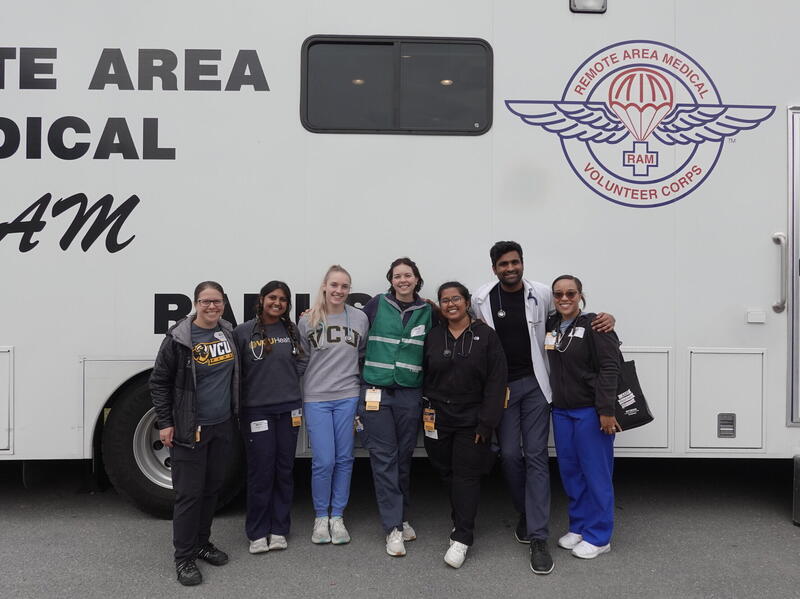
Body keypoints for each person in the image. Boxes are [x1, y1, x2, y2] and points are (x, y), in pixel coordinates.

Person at [472, 241, 614, 575]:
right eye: (504, 264)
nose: (510, 268)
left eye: (515, 262)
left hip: (536, 385)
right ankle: (528, 512)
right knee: (510, 455)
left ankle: (538, 536)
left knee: (536, 456)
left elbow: (573, 312)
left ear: (522, 263)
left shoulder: (541, 292)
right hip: (504, 389)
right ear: (494, 268)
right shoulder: (482, 298)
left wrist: (607, 317)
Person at [150, 281, 239, 586]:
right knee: (189, 494)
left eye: (217, 301)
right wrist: (165, 422)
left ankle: (202, 543)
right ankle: (184, 558)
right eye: (205, 301)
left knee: (212, 489)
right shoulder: (179, 339)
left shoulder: (227, 331)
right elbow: (159, 381)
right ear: (196, 303)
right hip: (190, 427)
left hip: (221, 425)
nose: (211, 306)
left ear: (224, 304)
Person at [422, 282, 508, 569]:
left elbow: (497, 382)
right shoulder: (434, 336)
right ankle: (459, 519)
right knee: (445, 471)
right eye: (445, 300)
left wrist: (487, 423)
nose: (451, 304)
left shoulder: (487, 336)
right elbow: (424, 374)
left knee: (466, 475)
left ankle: (462, 536)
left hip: (472, 418)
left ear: (467, 301)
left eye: (456, 298)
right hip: (437, 416)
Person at [359, 257, 432, 557]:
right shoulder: (376, 304)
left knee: (403, 457)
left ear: (417, 279)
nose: (403, 280)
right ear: (391, 280)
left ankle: (401, 516)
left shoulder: (428, 310)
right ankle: (393, 527)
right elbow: (349, 323)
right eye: (397, 276)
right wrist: (314, 314)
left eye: (408, 275)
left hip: (409, 394)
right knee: (384, 458)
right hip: (375, 392)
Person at [546, 275, 620, 559]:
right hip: (562, 411)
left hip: (590, 411)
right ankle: (579, 526)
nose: (564, 298)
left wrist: (606, 411)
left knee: (596, 474)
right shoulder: (552, 325)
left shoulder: (596, 325)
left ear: (580, 295)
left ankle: (600, 537)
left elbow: (610, 368)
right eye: (558, 294)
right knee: (571, 473)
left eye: (570, 293)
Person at [233, 281, 307, 555]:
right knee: (261, 472)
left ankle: (279, 530)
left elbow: (302, 360)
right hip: (257, 411)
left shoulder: (291, 330)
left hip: (289, 410)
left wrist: (285, 379)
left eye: (283, 299)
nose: (277, 303)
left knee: (284, 471)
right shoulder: (243, 332)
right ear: (262, 299)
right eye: (272, 298)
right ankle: (257, 532)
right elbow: (236, 369)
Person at [297, 265, 369, 545]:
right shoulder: (308, 319)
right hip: (316, 398)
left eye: (344, 286)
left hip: (348, 396)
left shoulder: (360, 318)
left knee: (344, 459)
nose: (339, 290)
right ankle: (320, 517)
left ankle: (337, 516)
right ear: (324, 286)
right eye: (334, 285)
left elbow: (362, 354)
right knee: (323, 460)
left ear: (349, 290)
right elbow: (302, 359)